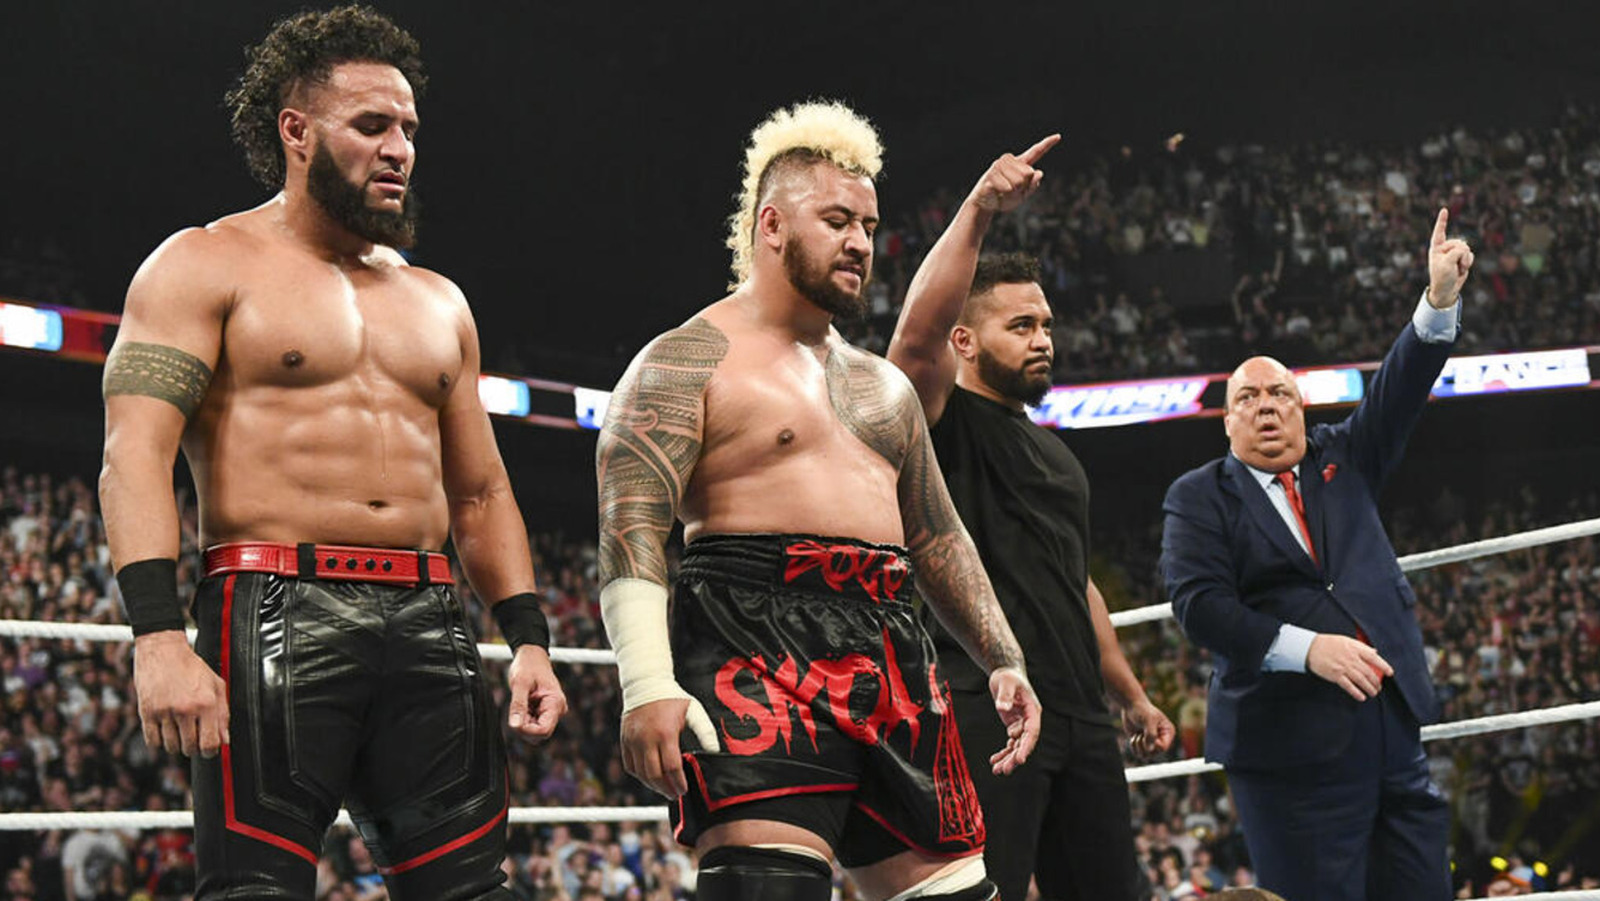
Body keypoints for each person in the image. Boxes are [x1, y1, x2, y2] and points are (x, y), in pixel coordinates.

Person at [98, 7, 566, 898]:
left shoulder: (439, 300)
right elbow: (134, 455)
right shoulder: (201, 264)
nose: (400, 150)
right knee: (254, 889)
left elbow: (479, 490)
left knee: (475, 888)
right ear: (297, 131)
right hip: (273, 605)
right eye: (373, 125)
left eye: (409, 129)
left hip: (429, 613)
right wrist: (156, 634)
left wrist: (530, 638)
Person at [594, 100, 1042, 901]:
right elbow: (631, 524)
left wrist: (1003, 658)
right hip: (751, 638)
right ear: (771, 225)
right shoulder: (685, 360)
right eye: (837, 221)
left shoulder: (884, 387)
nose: (860, 242)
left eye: (868, 225)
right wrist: (646, 679)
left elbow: (936, 536)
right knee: (767, 888)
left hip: (893, 643)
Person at [886, 136, 1176, 901]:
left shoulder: (1058, 457)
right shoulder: (941, 423)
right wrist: (979, 210)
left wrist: (1129, 694)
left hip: (1081, 713)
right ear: (965, 340)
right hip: (986, 700)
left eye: (1045, 324)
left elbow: (1076, 584)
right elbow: (912, 342)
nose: (1043, 338)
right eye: (1020, 326)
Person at [1159, 210, 1474, 901]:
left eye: (1280, 393)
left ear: (1301, 408)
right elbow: (1201, 607)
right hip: (1288, 749)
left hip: (1389, 729)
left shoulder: (1347, 456)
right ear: (1228, 420)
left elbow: (1400, 388)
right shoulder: (1198, 496)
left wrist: (1438, 299)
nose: (1267, 406)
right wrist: (1309, 649)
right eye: (1248, 398)